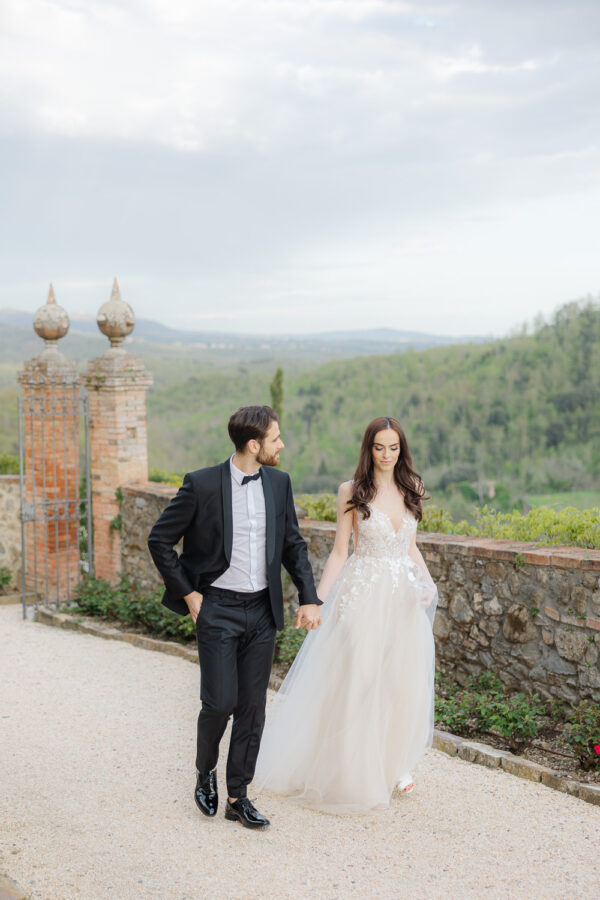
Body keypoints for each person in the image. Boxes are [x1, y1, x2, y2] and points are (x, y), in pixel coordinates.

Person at [147, 405, 322, 830]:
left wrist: (309, 597)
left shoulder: (279, 484)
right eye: (275, 438)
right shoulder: (202, 484)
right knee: (220, 702)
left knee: (252, 709)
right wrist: (189, 594)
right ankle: (204, 771)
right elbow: (160, 540)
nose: (282, 445)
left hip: (262, 610)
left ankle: (237, 796)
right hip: (217, 608)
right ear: (252, 445)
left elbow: (292, 546)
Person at [253, 416, 437, 813]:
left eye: (393, 447)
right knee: (360, 680)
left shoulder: (413, 488)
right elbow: (340, 552)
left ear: (401, 449)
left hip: (402, 600)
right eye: (379, 447)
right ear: (368, 449)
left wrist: (427, 583)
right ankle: (351, 771)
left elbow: (410, 547)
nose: (387, 455)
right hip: (363, 595)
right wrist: (314, 599)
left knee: (398, 684)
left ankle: (391, 764)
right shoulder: (351, 491)